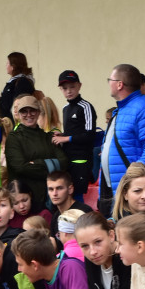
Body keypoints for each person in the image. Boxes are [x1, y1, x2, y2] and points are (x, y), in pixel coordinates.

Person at [101, 63, 145, 215]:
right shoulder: (123, 109)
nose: (108, 83)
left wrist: (134, 177)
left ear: (119, 84)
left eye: (110, 80)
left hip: (136, 198)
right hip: (121, 194)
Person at [5, 95, 68, 210]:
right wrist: (50, 165)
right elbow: (20, 168)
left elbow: (63, 163)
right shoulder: (13, 138)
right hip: (24, 202)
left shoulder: (48, 137)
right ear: (18, 115)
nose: (28, 115)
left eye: (32, 110)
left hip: (49, 200)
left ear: (39, 112)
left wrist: (36, 163)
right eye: (24, 111)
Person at [52, 70, 98, 202]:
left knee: (77, 195)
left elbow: (89, 135)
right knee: (67, 195)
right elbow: (75, 132)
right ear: (61, 89)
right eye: (65, 88)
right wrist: (63, 135)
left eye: (72, 87)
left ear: (79, 86)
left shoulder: (85, 107)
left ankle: (81, 221)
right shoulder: (66, 108)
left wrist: (65, 138)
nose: (69, 91)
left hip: (81, 160)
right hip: (67, 158)